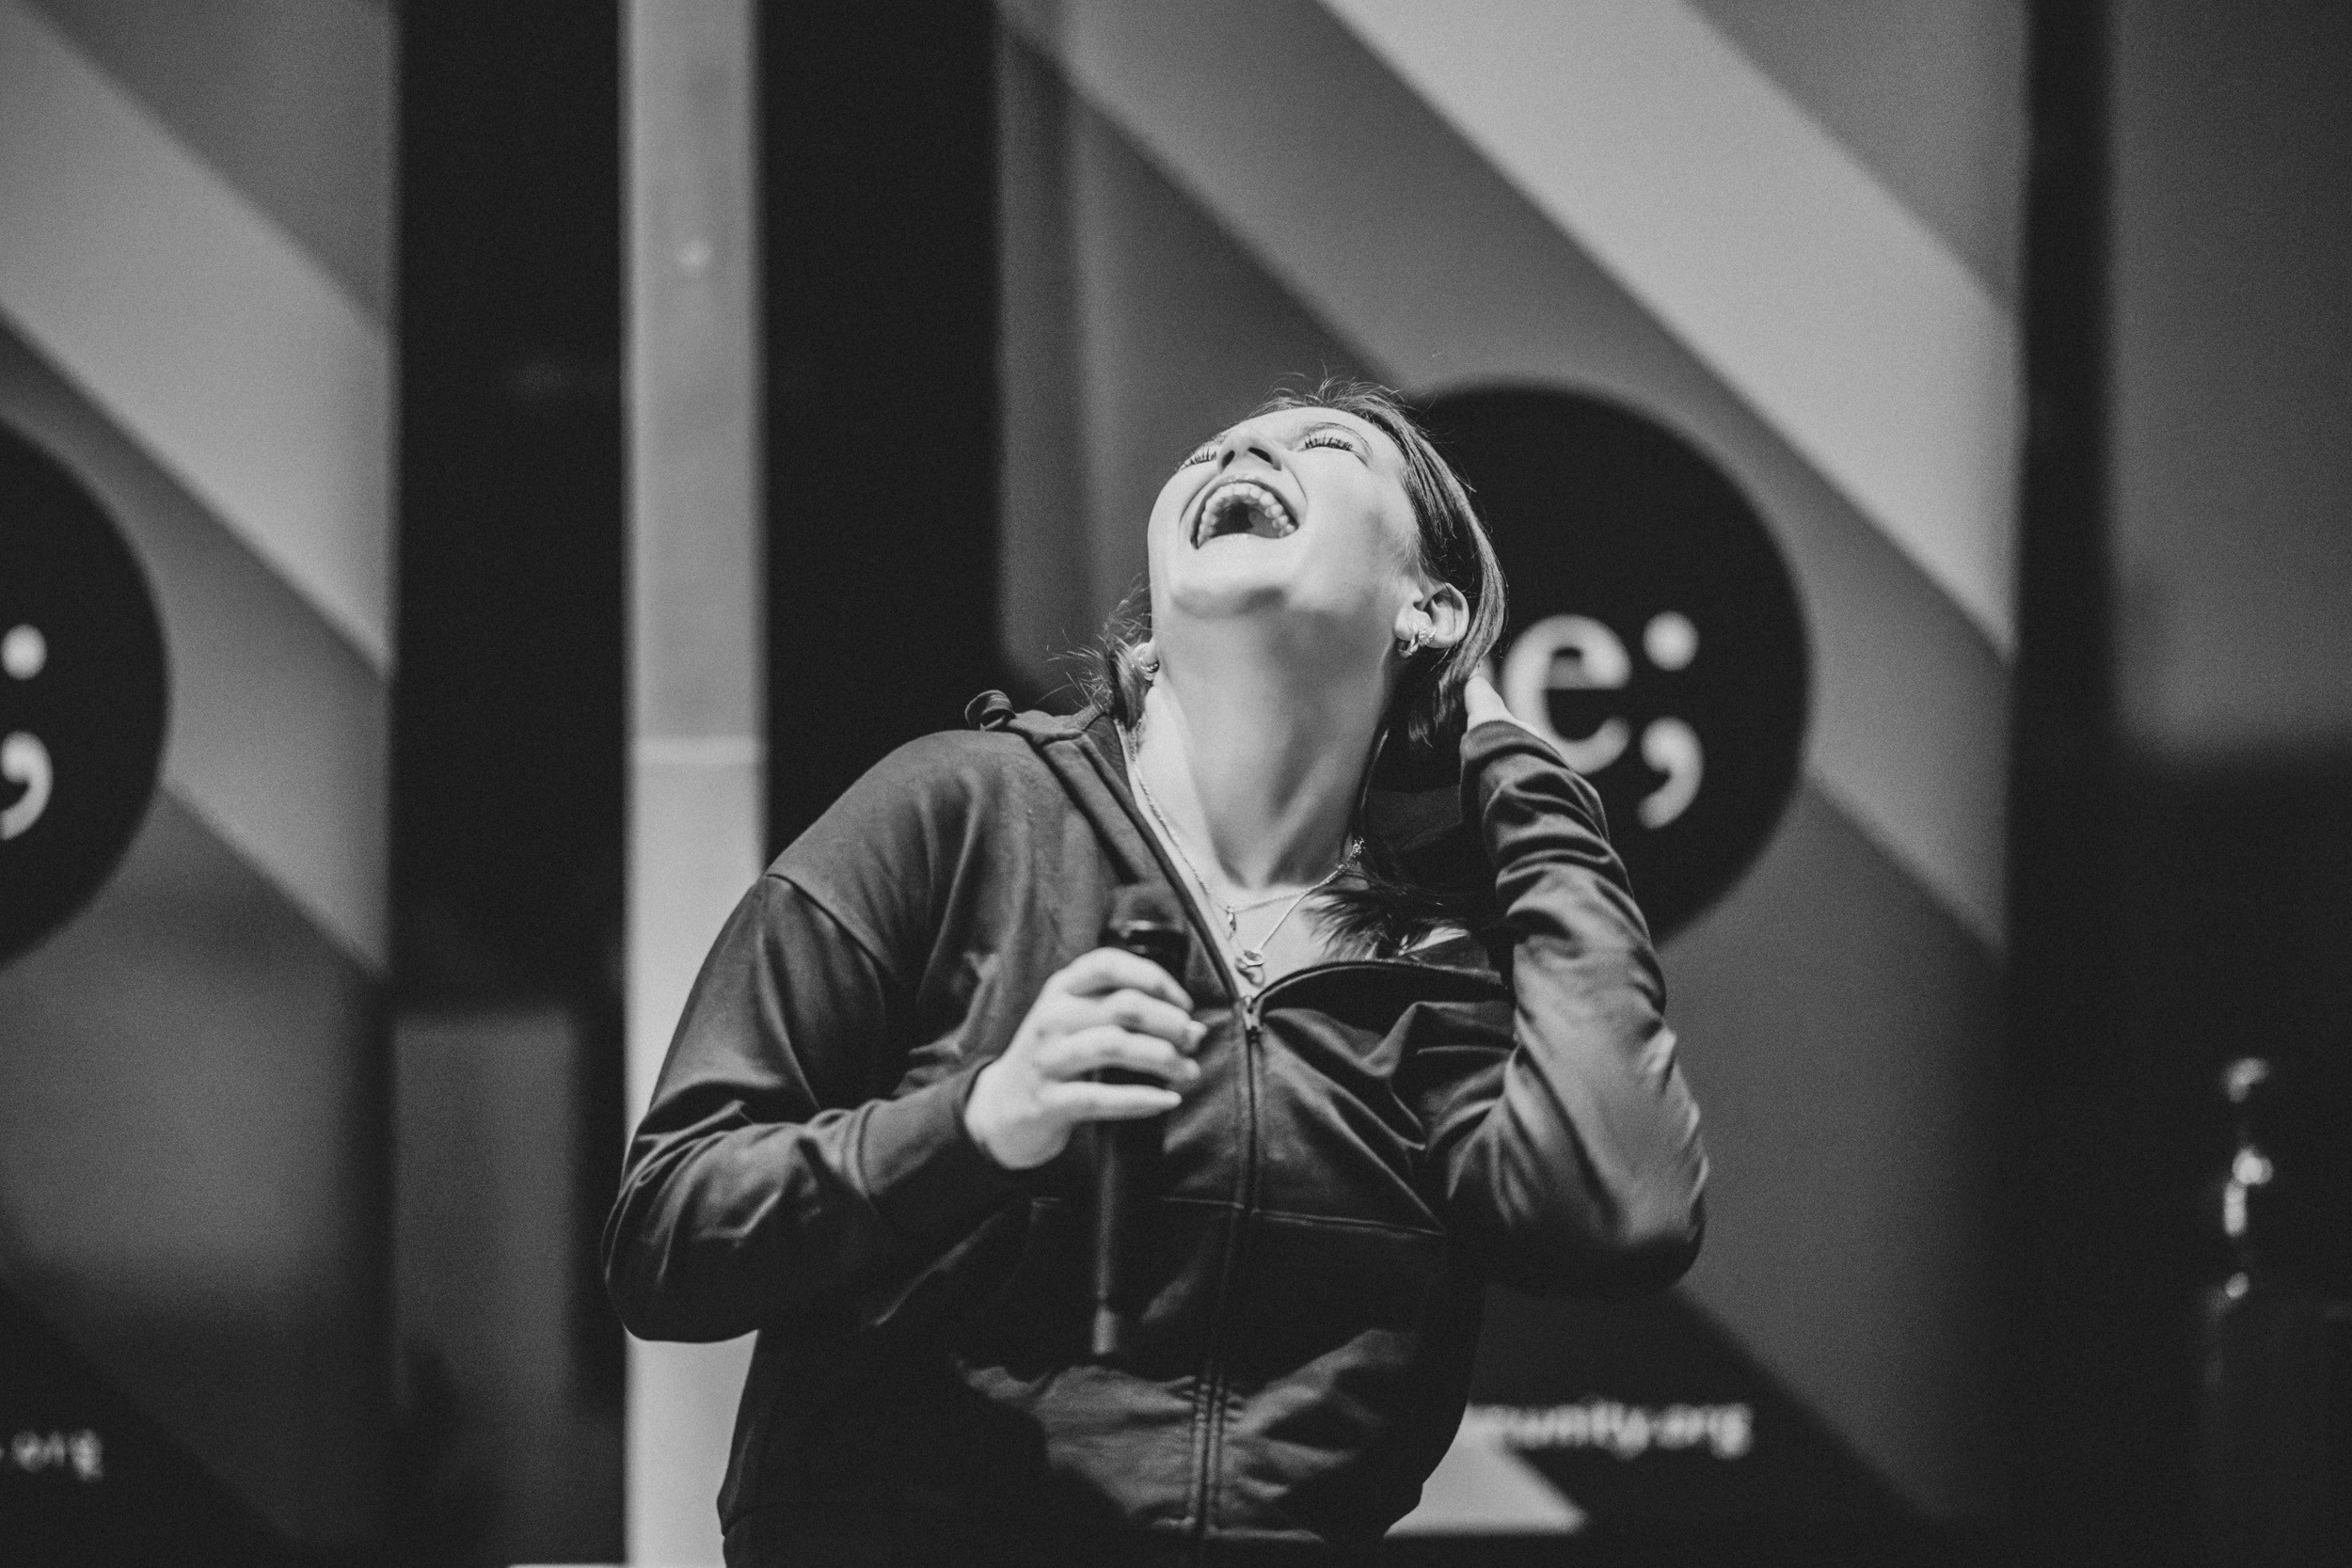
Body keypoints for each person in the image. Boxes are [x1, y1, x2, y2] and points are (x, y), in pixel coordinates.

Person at [603, 380, 1708, 1565]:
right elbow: (669, 1233)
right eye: (1226, 442)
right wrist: (978, 1123)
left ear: (1429, 609)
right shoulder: (961, 810)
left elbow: (1620, 1211)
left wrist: (1522, 777)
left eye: (1324, 445)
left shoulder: (1435, 961)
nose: (1241, 442)